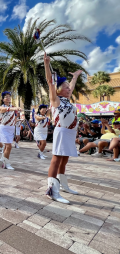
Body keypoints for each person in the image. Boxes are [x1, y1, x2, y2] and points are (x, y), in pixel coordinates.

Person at [44, 53, 82, 204]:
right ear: (59, 90)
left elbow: (72, 86)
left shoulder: (67, 100)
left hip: (70, 133)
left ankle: (63, 185)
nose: (68, 89)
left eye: (68, 87)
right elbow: (50, 82)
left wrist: (76, 76)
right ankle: (52, 191)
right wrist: (47, 64)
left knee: (64, 160)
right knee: (56, 159)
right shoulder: (56, 100)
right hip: (61, 131)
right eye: (65, 87)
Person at [0, 92, 22, 170]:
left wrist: (18, 117)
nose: (8, 98)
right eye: (6, 97)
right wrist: (15, 108)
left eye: (9, 96)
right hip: (4, 128)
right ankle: (6, 164)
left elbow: (14, 117)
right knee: (9, 146)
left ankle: (3, 158)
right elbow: (4, 110)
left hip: (11, 128)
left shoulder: (12, 107)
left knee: (6, 146)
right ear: (3, 99)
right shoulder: (1, 107)